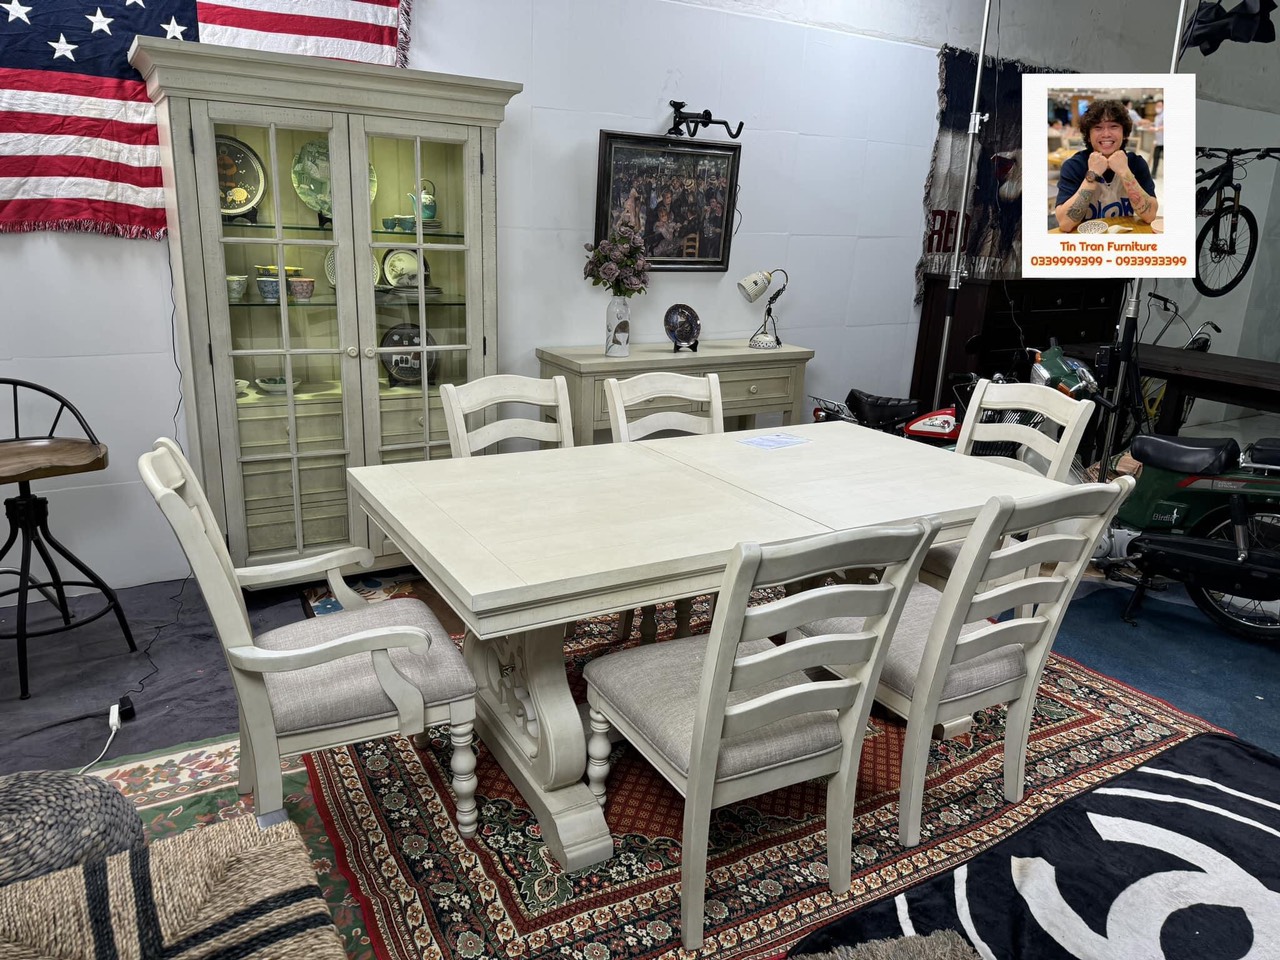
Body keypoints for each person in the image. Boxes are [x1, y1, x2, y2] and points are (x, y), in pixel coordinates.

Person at [1054, 99, 1158, 232]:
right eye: (1098, 127)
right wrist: (1092, 175)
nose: (1106, 134)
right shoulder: (1074, 166)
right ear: (1088, 135)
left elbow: (1150, 216)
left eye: (1114, 126)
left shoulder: (1136, 163)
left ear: (1124, 133)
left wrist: (1124, 172)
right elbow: (1065, 224)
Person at [1150, 99, 1164, 177]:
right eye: (1157, 105)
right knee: (1156, 157)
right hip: (1158, 141)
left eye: (1159, 106)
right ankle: (1153, 174)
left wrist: (1155, 129)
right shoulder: (1157, 117)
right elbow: (1157, 127)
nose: (1158, 107)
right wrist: (1155, 139)